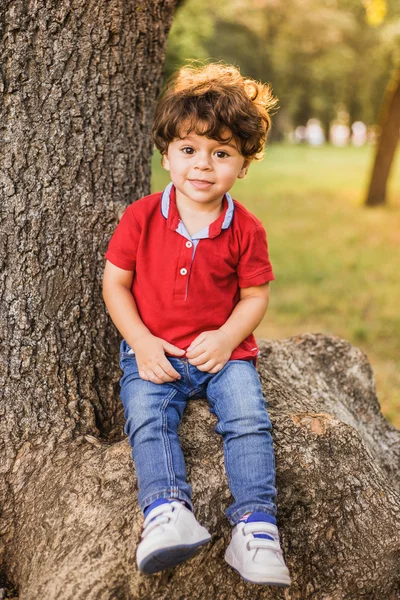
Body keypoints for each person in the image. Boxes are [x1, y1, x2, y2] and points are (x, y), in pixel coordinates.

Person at [102, 62, 291, 587]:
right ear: (166, 156)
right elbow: (115, 284)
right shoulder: (140, 217)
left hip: (225, 355)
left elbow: (255, 296)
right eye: (189, 150)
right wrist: (139, 342)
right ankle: (166, 512)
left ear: (243, 165)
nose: (203, 165)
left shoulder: (246, 229)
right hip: (154, 351)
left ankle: (255, 527)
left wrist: (228, 338)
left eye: (221, 153)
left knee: (249, 420)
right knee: (148, 417)